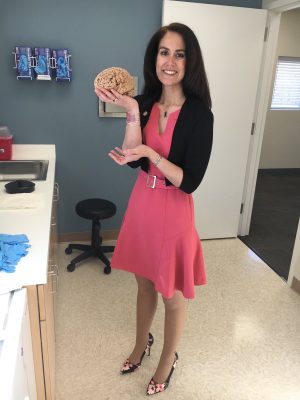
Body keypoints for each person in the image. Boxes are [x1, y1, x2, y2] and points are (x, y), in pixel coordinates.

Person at [95, 22, 213, 396]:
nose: (171, 61)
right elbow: (133, 161)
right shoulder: (144, 103)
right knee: (143, 282)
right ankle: (139, 343)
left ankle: (167, 360)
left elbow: (189, 180)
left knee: (172, 295)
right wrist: (131, 111)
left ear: (189, 61)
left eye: (180, 54)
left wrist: (151, 154)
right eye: (165, 52)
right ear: (155, 57)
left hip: (174, 209)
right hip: (142, 203)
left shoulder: (199, 115)